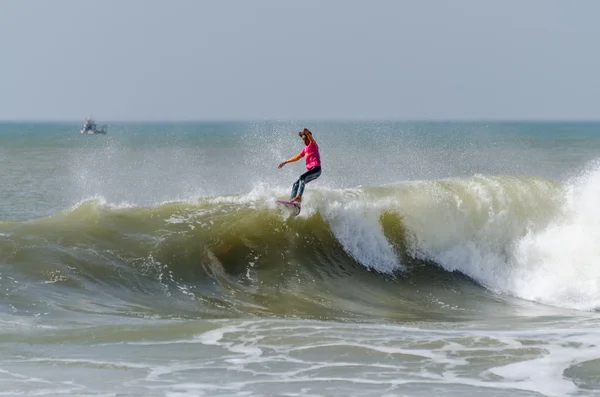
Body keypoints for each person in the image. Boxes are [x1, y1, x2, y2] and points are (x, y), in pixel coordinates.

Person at [278, 128, 322, 204]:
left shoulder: (313, 144)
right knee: (296, 184)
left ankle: (299, 197)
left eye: (305, 139)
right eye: (303, 140)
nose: (304, 141)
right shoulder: (305, 149)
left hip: (316, 169)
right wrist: (285, 162)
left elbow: (311, 139)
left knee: (302, 177)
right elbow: (297, 157)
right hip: (312, 171)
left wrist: (307, 133)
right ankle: (292, 201)